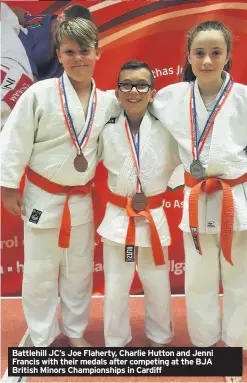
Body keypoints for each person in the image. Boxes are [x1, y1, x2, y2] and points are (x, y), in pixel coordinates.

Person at [150, 21, 247, 382]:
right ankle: (204, 343)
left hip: (239, 198)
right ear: (188, 56)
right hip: (197, 199)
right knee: (199, 278)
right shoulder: (171, 98)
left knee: (241, 278)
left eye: (215, 53)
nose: (206, 60)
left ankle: (234, 347)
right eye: (199, 53)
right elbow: (150, 130)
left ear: (228, 56)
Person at [0, 18, 119, 347]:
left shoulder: (108, 103)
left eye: (85, 51)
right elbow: (14, 139)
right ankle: (41, 335)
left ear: (98, 53)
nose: (78, 58)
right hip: (41, 198)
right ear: (59, 55)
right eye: (70, 52)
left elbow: (120, 146)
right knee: (39, 270)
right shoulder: (40, 94)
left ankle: (76, 331)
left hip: (80, 201)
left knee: (78, 271)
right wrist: (9, 185)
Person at [98, 60, 181, 347]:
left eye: (142, 85)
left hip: (152, 218)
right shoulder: (106, 127)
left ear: (153, 92)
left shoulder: (167, 128)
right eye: (126, 85)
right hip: (118, 217)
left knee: (157, 283)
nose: (134, 91)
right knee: (116, 285)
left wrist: (173, 183)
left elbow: (186, 156)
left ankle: (160, 337)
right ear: (117, 91)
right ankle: (115, 341)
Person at [1, 3, 92, 129]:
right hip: (11, 66)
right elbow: (15, 12)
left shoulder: (65, 56)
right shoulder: (40, 34)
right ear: (61, 18)